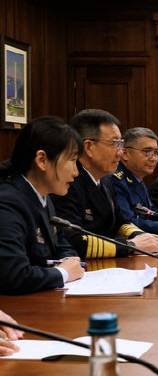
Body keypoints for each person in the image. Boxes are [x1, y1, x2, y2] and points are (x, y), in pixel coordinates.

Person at [52, 109, 158, 259]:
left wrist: (141, 236)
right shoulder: (67, 181)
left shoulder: (105, 179)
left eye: (121, 144)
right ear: (89, 147)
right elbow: (74, 240)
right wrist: (130, 245)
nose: (120, 152)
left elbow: (120, 222)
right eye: (115, 143)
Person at [0, 117, 85, 294]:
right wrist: (63, 273)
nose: (76, 172)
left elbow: (60, 243)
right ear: (42, 160)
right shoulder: (7, 203)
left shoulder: (43, 197)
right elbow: (13, 275)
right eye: (71, 159)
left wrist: (69, 260)